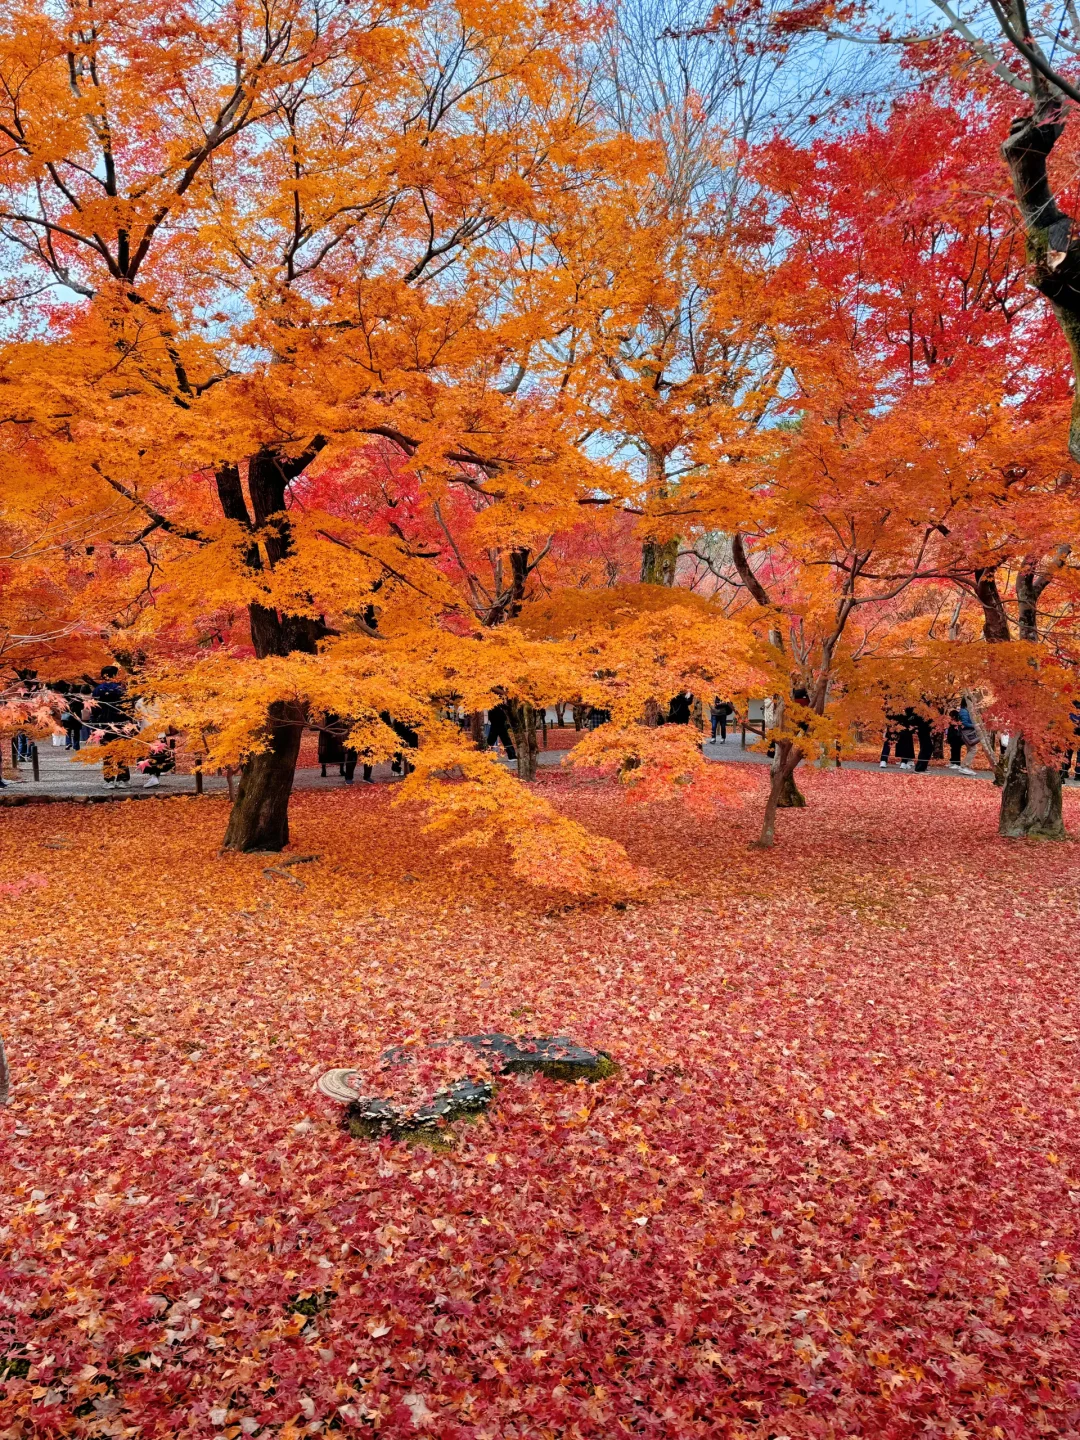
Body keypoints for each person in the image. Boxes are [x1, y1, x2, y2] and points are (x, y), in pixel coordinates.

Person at [91, 665, 132, 785]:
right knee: (121, 751)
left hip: (104, 724)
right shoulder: (122, 689)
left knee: (107, 752)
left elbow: (94, 709)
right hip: (121, 723)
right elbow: (128, 708)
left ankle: (108, 780)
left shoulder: (98, 689)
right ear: (114, 675)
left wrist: (95, 722)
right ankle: (122, 779)